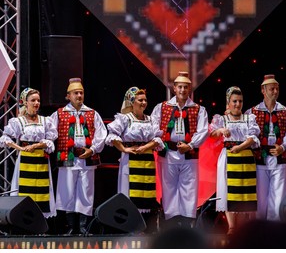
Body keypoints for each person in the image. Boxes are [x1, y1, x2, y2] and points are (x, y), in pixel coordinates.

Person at [151, 71, 209, 228]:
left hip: (189, 154)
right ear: (174, 88)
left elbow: (203, 131)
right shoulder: (162, 107)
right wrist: (162, 143)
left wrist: (190, 145)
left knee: (189, 187)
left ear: (189, 89)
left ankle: (187, 222)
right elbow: (154, 127)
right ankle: (171, 222)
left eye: (186, 87)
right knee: (168, 187)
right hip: (168, 153)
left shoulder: (198, 109)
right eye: (180, 87)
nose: (183, 90)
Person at [50, 78, 107, 235]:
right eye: (76, 93)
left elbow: (102, 134)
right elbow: (50, 132)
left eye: (81, 92)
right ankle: (69, 227)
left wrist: (93, 149)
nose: (79, 95)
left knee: (86, 191)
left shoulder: (92, 113)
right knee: (66, 191)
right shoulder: (59, 114)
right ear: (68, 96)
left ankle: (82, 227)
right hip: (67, 156)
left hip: (86, 157)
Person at [105, 86, 164, 233]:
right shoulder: (125, 119)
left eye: (145, 100)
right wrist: (124, 149)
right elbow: (112, 135)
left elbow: (158, 138)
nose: (143, 102)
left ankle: (147, 227)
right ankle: (130, 226)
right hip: (130, 160)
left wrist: (146, 147)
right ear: (132, 101)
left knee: (148, 193)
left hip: (147, 161)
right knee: (129, 192)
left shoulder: (151, 120)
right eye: (140, 100)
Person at [245, 74, 286, 221]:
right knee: (260, 197)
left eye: (277, 89)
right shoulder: (252, 113)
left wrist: (283, 147)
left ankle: (276, 230)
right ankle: (259, 228)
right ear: (263, 90)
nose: (275, 91)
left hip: (279, 159)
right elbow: (247, 133)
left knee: (279, 197)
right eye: (272, 89)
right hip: (260, 159)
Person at [209, 86, 260, 234]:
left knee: (245, 191)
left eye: (240, 101)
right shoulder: (222, 119)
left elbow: (253, 138)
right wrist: (220, 130)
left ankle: (243, 227)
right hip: (228, 157)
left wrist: (241, 147)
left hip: (245, 157)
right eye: (234, 101)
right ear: (228, 102)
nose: (238, 104)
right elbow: (212, 133)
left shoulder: (249, 118)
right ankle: (231, 226)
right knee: (228, 190)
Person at [0, 88, 58, 219]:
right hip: (25, 159)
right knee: (24, 189)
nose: (36, 103)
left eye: (38, 100)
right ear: (25, 102)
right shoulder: (18, 121)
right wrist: (19, 148)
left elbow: (51, 139)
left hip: (41, 159)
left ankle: (40, 221)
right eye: (33, 100)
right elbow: (5, 138)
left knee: (42, 190)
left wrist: (37, 145)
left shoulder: (45, 121)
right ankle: (24, 220)